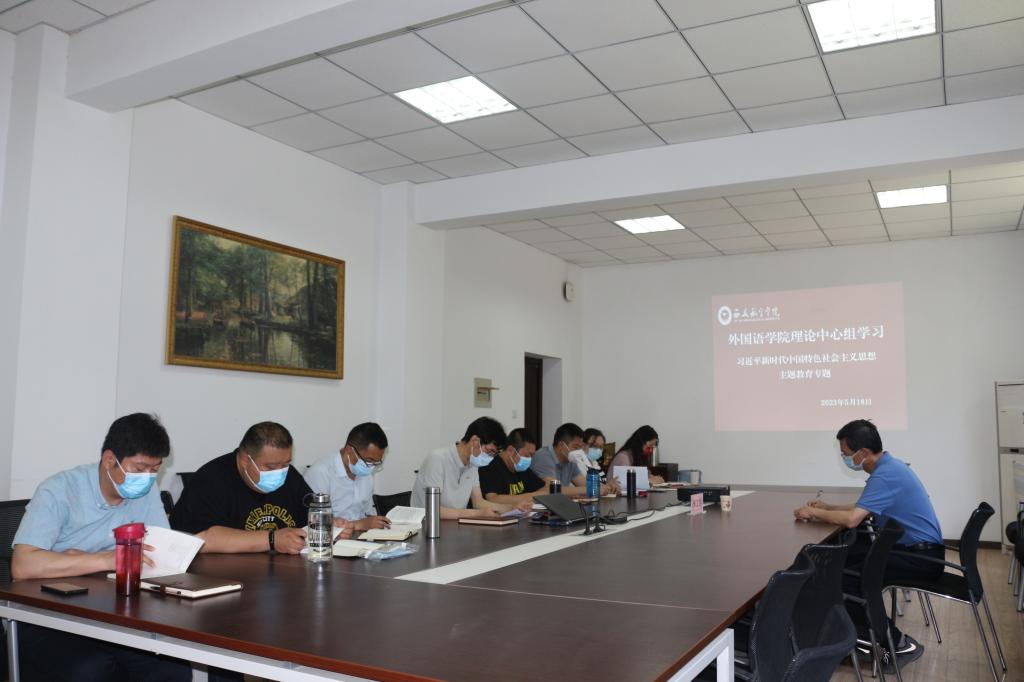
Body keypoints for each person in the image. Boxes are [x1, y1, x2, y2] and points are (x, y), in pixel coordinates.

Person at [10, 413, 191, 681]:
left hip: (114, 613)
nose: (148, 478)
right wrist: (107, 559)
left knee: (172, 669)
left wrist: (76, 558)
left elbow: (158, 553)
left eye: (155, 469)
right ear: (109, 460)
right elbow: (23, 566)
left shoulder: (147, 492)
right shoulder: (58, 490)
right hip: (49, 616)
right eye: (140, 468)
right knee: (93, 670)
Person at [794, 419, 939, 671]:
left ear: (862, 453)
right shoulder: (889, 467)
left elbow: (853, 519)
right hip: (914, 551)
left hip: (920, 558)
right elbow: (861, 507)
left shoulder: (885, 474)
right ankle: (853, 641)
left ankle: (894, 645)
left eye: (845, 454)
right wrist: (828, 507)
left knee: (844, 581)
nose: (844, 458)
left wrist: (814, 513)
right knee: (845, 567)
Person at [170, 421, 329, 553]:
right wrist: (272, 539)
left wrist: (330, 525)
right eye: (271, 467)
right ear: (245, 460)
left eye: (285, 464)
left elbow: (311, 514)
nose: (280, 472)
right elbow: (203, 539)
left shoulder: (290, 476)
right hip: (224, 573)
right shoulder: (211, 480)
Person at [411, 417, 531, 519]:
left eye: (494, 454)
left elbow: (478, 502)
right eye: (490, 451)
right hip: (428, 527)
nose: (490, 457)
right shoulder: (437, 459)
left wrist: (512, 508)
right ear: (474, 441)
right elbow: (433, 510)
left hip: (455, 526)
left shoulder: (473, 463)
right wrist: (478, 513)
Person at [304, 422, 391, 531]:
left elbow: (368, 513)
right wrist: (357, 525)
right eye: (369, 460)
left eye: (376, 462)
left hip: (360, 536)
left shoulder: (366, 474)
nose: (371, 467)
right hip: (331, 538)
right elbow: (315, 522)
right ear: (350, 450)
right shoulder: (321, 473)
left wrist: (377, 522)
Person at [532, 423, 615, 497]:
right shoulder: (543, 457)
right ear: (561, 445)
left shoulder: (570, 459)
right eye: (576, 447)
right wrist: (592, 489)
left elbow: (584, 483)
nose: (579, 451)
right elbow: (554, 490)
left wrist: (608, 488)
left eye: (580, 447)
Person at [479, 428, 547, 505]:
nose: (529, 459)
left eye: (532, 456)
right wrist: (529, 497)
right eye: (527, 455)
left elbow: (545, 489)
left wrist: (532, 496)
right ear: (510, 450)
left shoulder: (522, 468)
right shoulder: (490, 466)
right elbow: (492, 499)